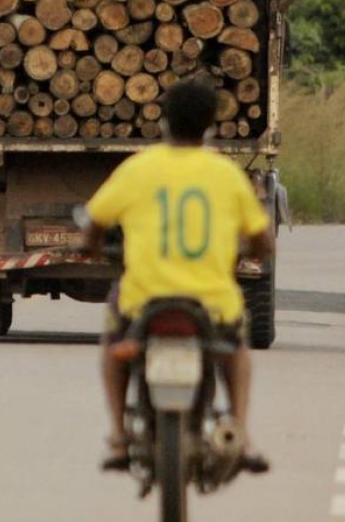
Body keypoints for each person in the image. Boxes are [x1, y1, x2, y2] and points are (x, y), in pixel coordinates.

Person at [82, 79, 275, 472]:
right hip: (212, 301)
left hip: (143, 298)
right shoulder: (226, 174)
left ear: (163, 122)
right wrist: (253, 253)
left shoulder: (137, 169)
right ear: (211, 126)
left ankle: (119, 438)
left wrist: (91, 248)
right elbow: (262, 238)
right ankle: (240, 432)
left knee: (112, 346)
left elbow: (95, 223)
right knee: (236, 348)